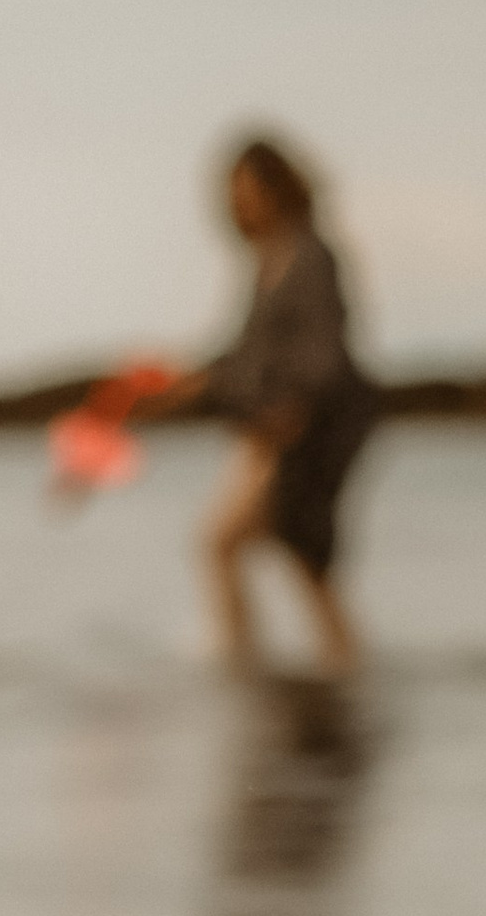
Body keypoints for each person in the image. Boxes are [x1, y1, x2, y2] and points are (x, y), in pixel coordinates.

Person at [153, 134, 379, 676]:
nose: (244, 202)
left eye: (251, 190)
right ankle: (298, 659)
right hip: (268, 428)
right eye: (236, 193)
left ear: (280, 188)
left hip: (312, 428)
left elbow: (326, 346)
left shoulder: (311, 254)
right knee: (243, 546)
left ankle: (268, 661)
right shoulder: (267, 261)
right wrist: (197, 381)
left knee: (278, 548)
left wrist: (294, 403)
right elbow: (249, 350)